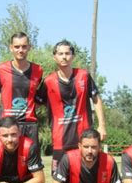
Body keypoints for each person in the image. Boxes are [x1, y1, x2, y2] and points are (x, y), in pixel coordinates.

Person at [0, 31, 44, 183]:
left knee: (29, 172)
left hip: (29, 125)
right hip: (7, 126)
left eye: (24, 46)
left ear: (29, 47)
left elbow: (40, 98)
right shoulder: (1, 69)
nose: (21, 50)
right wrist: (4, 112)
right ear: (11, 48)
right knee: (4, 170)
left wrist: (28, 110)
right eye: (17, 46)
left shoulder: (38, 70)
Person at [37, 40, 107, 173]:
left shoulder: (84, 76)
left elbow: (96, 99)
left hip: (85, 137)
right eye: (60, 53)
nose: (64, 57)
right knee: (59, 178)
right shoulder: (48, 81)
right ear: (54, 57)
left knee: (89, 174)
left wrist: (102, 126)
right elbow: (35, 104)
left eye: (67, 53)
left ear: (73, 56)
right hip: (60, 139)